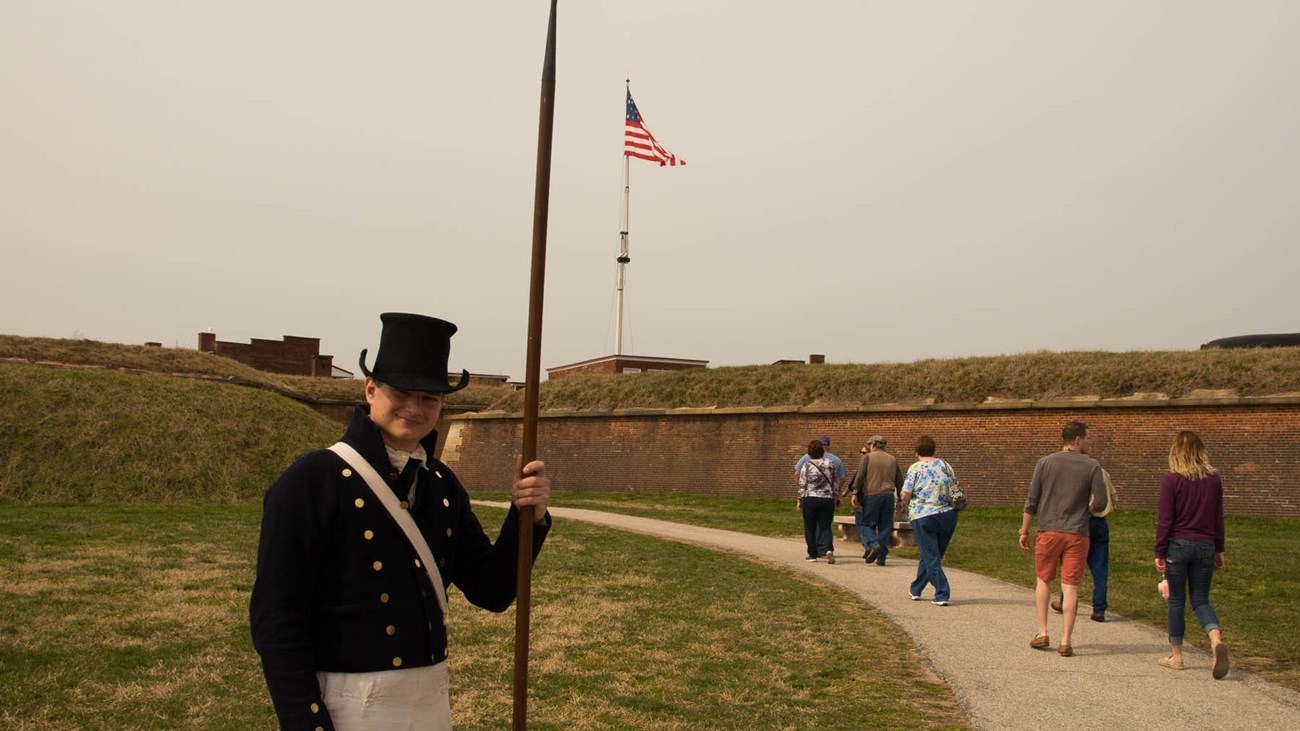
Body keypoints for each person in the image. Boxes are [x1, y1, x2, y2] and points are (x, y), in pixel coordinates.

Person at [250, 313, 552, 730]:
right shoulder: (311, 481)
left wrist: (527, 518)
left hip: (428, 702)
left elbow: (492, 590)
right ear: (370, 389)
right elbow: (277, 618)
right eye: (402, 392)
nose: (415, 407)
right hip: (346, 707)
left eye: (429, 397)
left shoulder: (442, 485)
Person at [1019, 421, 1109, 658]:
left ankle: (1043, 631)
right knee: (1070, 587)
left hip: (1049, 530)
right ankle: (1066, 641)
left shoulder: (1045, 463)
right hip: (1078, 533)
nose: (1091, 442)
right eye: (1088, 438)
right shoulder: (1092, 466)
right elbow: (1101, 501)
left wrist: (1024, 530)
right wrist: (1085, 512)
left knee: (1043, 580)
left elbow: (1032, 500)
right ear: (1077, 440)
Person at [1154, 430, 1229, 679]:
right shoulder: (1214, 479)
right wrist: (1219, 549)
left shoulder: (1171, 480)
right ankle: (1215, 639)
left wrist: (1159, 551)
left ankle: (1177, 656)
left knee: (1176, 600)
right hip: (1205, 545)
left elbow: (1165, 520)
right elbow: (1218, 518)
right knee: (1200, 600)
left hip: (1177, 545)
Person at [897, 436, 960, 605]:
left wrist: (901, 503)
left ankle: (942, 593)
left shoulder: (915, 468)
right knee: (932, 554)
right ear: (934, 450)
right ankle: (916, 589)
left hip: (923, 515)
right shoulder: (946, 465)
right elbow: (954, 487)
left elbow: (906, 493)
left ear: (916, 451)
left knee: (931, 556)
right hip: (948, 514)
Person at [1053, 466, 1117, 622]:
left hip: (1080, 522)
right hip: (1100, 522)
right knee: (1100, 567)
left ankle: (1066, 602)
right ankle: (1099, 608)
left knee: (1072, 563)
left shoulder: (1076, 471)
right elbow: (1113, 497)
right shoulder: (1103, 472)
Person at [844, 435, 904, 565]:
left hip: (872, 495)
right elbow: (899, 481)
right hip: (888, 496)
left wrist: (854, 493)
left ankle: (873, 544)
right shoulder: (892, 459)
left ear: (873, 445)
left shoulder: (867, 457)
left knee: (866, 524)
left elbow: (860, 476)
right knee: (885, 527)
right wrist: (900, 499)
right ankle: (881, 558)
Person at [797, 439, 840, 563]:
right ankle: (828, 549)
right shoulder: (831, 464)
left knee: (810, 527)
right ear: (822, 450)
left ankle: (812, 554)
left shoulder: (807, 465)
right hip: (827, 499)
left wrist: (799, 499)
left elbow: (802, 483)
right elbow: (835, 482)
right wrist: (836, 496)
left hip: (811, 498)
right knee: (825, 526)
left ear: (810, 452)